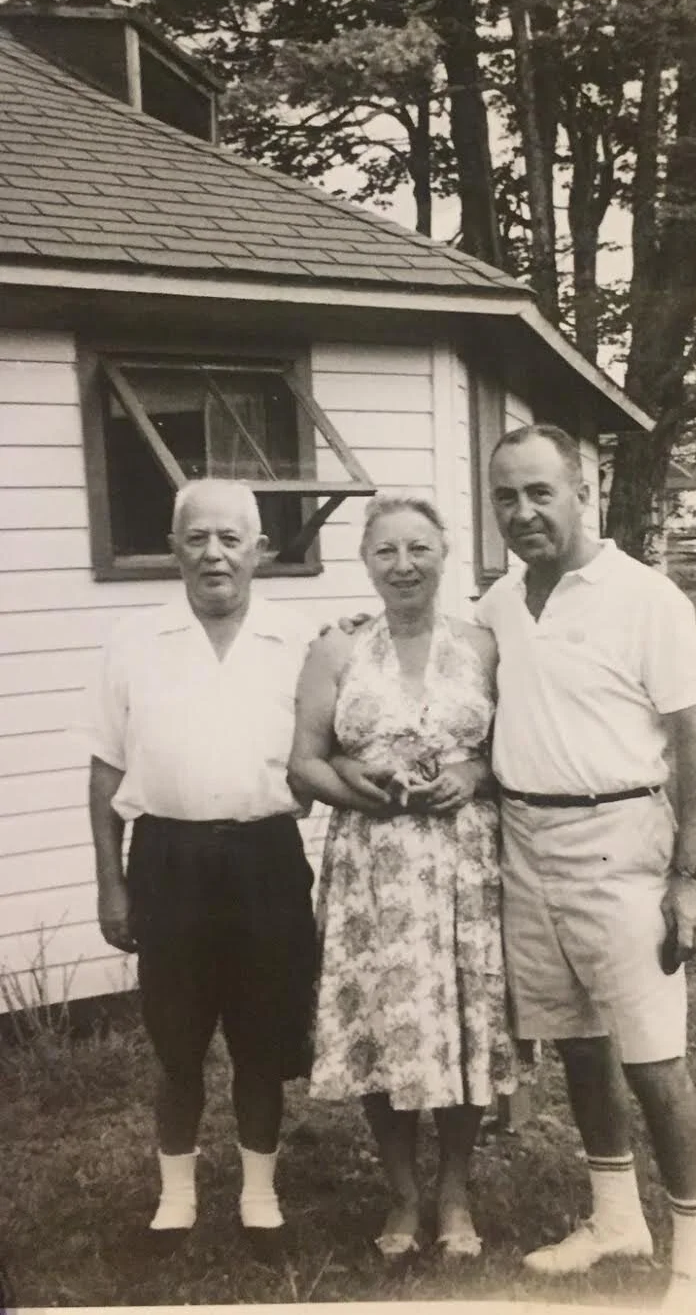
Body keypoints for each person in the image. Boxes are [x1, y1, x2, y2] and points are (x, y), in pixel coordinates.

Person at [475, 423, 696, 1313]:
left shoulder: (645, 597)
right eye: (505, 496)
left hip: (622, 841)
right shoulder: (499, 604)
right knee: (579, 1043)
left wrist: (691, 874)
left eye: (540, 492)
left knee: (654, 1058)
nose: (523, 511)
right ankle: (616, 1217)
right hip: (525, 843)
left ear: (582, 489)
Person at [86, 479, 317, 1254]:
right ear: (174, 549)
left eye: (230, 539)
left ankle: (259, 1197)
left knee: (261, 1039)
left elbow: (322, 758)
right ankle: (176, 1199)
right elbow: (105, 773)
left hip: (265, 861)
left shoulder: (300, 642)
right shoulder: (134, 641)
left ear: (259, 551)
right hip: (168, 859)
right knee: (176, 1043)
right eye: (196, 539)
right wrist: (110, 884)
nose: (213, 554)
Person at [287, 495, 518, 1262]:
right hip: (372, 868)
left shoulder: (483, 646)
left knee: (461, 1024)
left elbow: (514, 749)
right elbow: (305, 762)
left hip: (463, 865)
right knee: (383, 1025)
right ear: (366, 562)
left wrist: (473, 771)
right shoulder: (337, 651)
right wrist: (365, 789)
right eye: (387, 552)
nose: (404, 565)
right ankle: (401, 1193)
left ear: (445, 556)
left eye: (419, 549)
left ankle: (453, 1191)